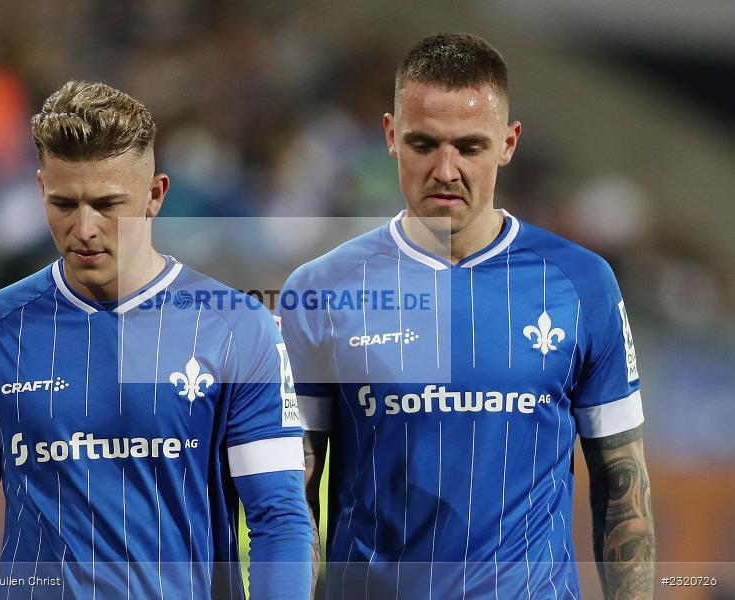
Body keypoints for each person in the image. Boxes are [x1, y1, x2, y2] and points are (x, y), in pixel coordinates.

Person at [277, 33, 654, 599]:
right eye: (424, 143)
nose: (446, 170)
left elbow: (622, 487)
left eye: (470, 147)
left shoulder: (582, 283)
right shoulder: (321, 290)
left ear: (509, 143)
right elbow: (289, 501)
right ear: (389, 136)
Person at [0, 80, 312, 599]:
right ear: (40, 190)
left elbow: (278, 519)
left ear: (155, 195)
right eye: (64, 203)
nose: (84, 228)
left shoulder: (237, 327)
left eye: (106, 204)